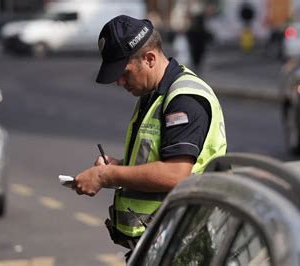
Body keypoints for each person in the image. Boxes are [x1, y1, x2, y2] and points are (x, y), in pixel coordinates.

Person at [72, 15, 227, 255]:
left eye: (124, 72)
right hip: (162, 240)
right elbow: (160, 158)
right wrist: (121, 165)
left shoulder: (184, 99)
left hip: (184, 242)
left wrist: (106, 175)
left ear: (150, 59)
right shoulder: (154, 93)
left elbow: (176, 173)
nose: (119, 81)